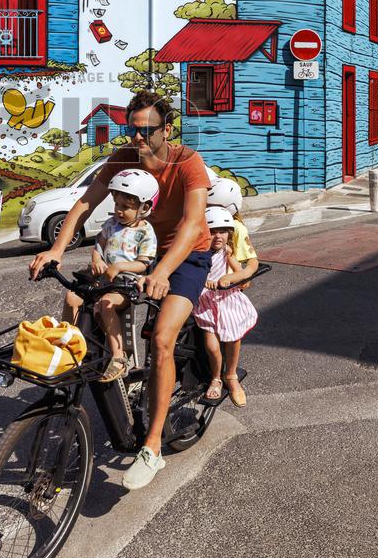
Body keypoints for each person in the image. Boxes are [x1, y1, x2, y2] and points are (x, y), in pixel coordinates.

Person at [30, 90, 211, 490]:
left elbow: (193, 224)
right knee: (80, 300)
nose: (139, 138)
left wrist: (162, 271)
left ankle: (152, 449)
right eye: (133, 129)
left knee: (162, 340)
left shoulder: (187, 162)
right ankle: (103, 375)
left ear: (167, 129)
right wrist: (56, 249)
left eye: (148, 130)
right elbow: (85, 202)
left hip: (183, 258)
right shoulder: (124, 159)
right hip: (131, 253)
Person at [63, 168, 159, 383]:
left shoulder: (146, 232)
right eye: (117, 205)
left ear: (144, 208)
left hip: (126, 285)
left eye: (126, 207)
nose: (119, 211)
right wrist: (97, 258)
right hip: (103, 280)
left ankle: (118, 356)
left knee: (105, 305)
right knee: (72, 297)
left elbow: (144, 264)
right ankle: (69, 344)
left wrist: (119, 266)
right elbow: (99, 244)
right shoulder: (111, 224)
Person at [194, 207, 258, 407]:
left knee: (233, 337)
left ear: (229, 232)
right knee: (212, 346)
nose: (218, 236)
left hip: (226, 301)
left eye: (222, 231)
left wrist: (232, 277)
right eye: (212, 231)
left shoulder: (226, 252)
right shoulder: (199, 253)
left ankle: (231, 376)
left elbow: (241, 273)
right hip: (206, 304)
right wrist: (205, 281)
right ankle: (216, 377)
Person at [207, 177, 260, 283]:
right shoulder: (204, 222)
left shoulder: (236, 228)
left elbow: (252, 260)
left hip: (225, 286)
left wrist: (243, 275)